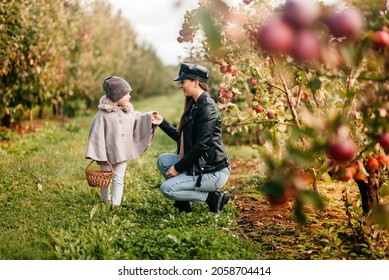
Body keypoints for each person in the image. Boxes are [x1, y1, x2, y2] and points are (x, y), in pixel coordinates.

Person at [151, 63, 231, 213]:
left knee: (167, 189)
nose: (181, 85)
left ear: (195, 82)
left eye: (183, 82)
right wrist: (162, 123)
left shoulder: (207, 108)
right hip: (200, 164)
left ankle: (212, 198)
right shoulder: (194, 105)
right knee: (163, 161)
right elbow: (183, 138)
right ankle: (184, 203)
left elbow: (202, 146)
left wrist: (178, 167)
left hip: (212, 170)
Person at [86, 76, 156, 208]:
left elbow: (138, 119)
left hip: (122, 153)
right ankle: (105, 200)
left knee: (119, 179)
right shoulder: (102, 115)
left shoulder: (127, 111)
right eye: (126, 94)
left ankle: (115, 205)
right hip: (106, 155)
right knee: (105, 179)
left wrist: (149, 116)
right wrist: (99, 155)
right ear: (117, 95)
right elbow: (96, 135)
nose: (129, 97)